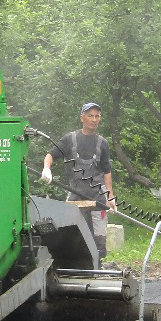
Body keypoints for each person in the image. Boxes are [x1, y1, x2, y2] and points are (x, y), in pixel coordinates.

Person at [41, 102, 116, 263]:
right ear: (82, 117)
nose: (94, 119)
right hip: (76, 197)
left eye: (97, 116)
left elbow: (107, 170)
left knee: (99, 241)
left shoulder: (102, 143)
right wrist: (47, 169)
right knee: (71, 237)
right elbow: (50, 154)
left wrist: (110, 197)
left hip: (98, 198)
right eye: (90, 115)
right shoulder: (70, 139)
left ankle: (98, 267)